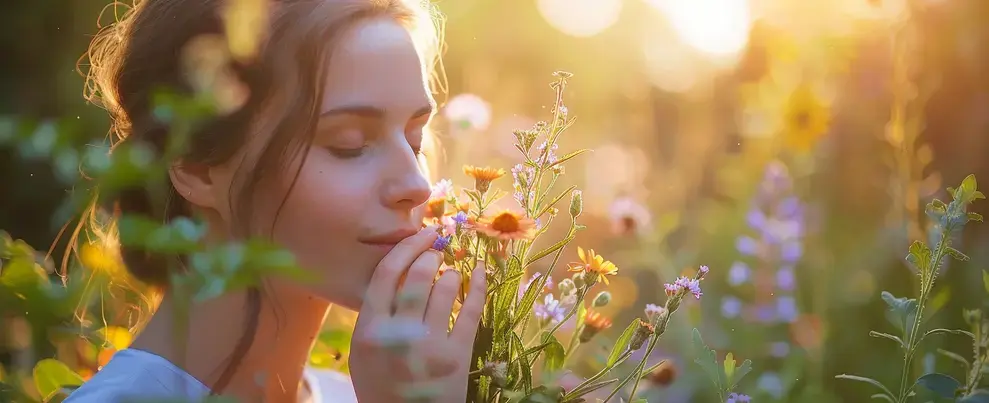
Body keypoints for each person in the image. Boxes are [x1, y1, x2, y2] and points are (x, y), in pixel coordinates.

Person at [64, 0, 487, 401]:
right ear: (198, 167)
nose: (416, 184)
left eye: (414, 142)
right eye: (349, 144)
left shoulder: (358, 394)